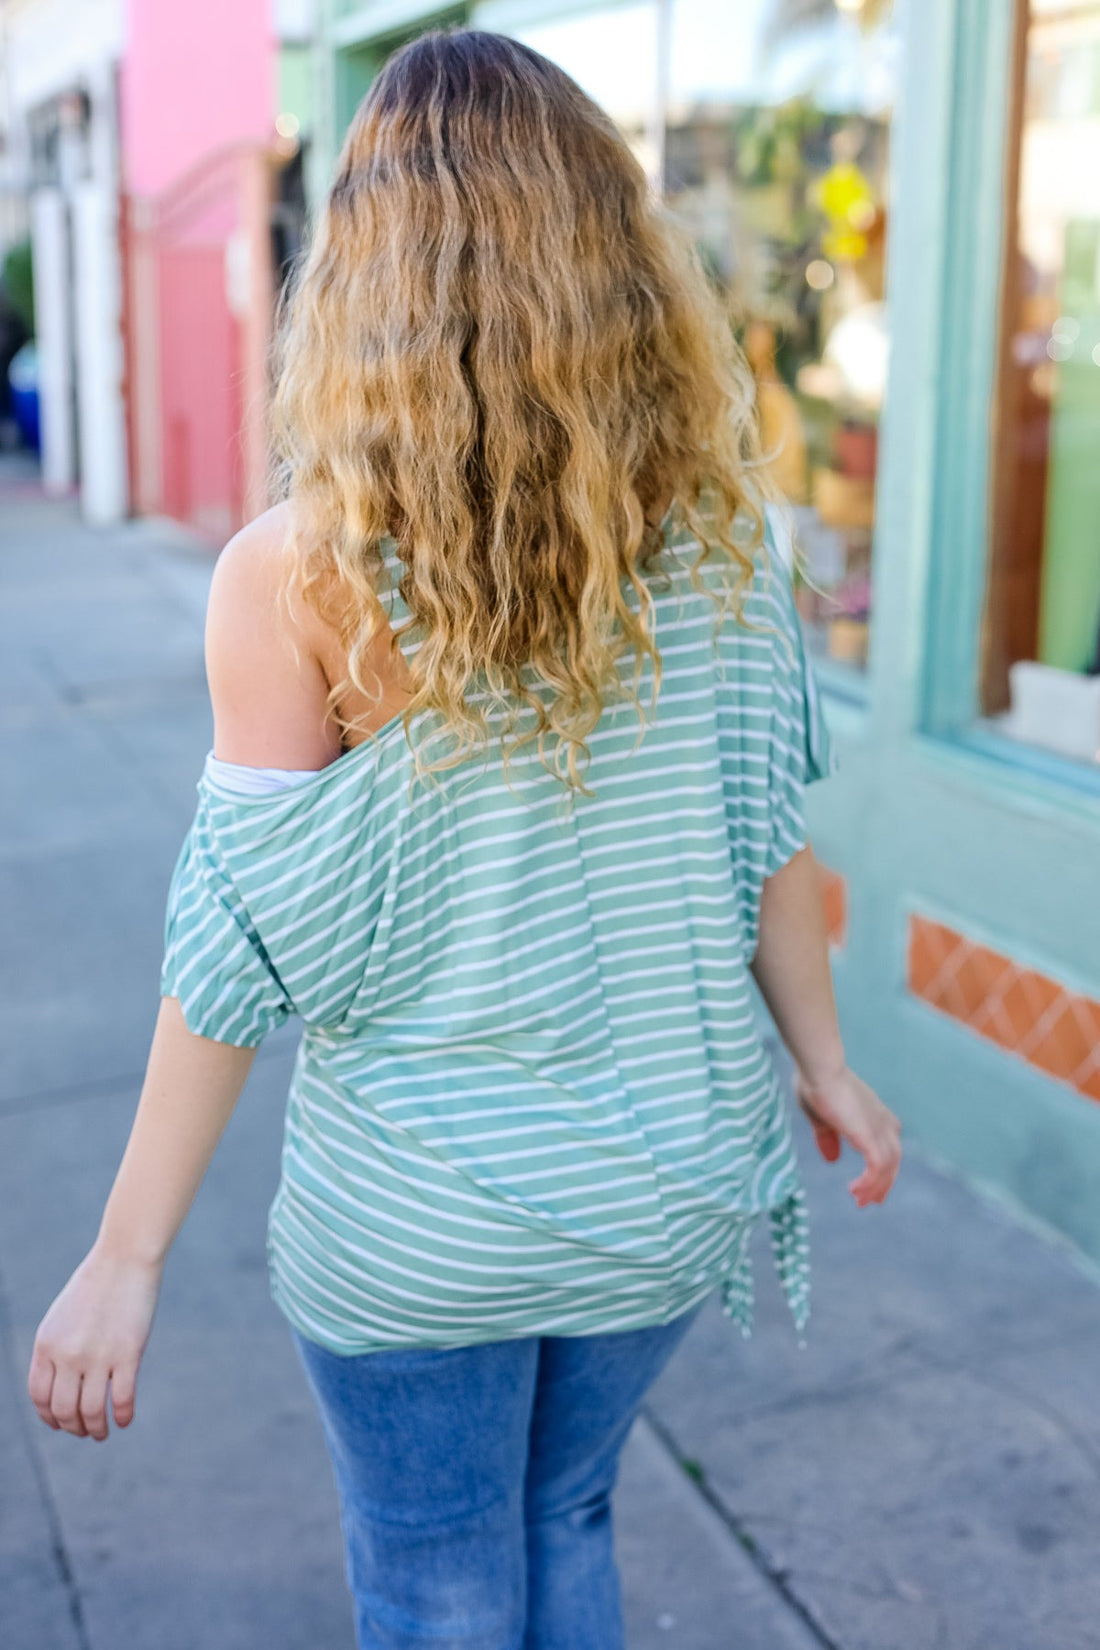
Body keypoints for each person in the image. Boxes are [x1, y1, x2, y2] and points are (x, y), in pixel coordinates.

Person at [26, 30, 902, 1650]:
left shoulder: (299, 577)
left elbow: (233, 953)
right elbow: (765, 836)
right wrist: (827, 1060)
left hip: (415, 1230)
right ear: (616, 257)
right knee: (566, 1511)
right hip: (664, 1190)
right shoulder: (722, 543)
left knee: (435, 1577)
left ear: (366, 265)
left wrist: (126, 1250)